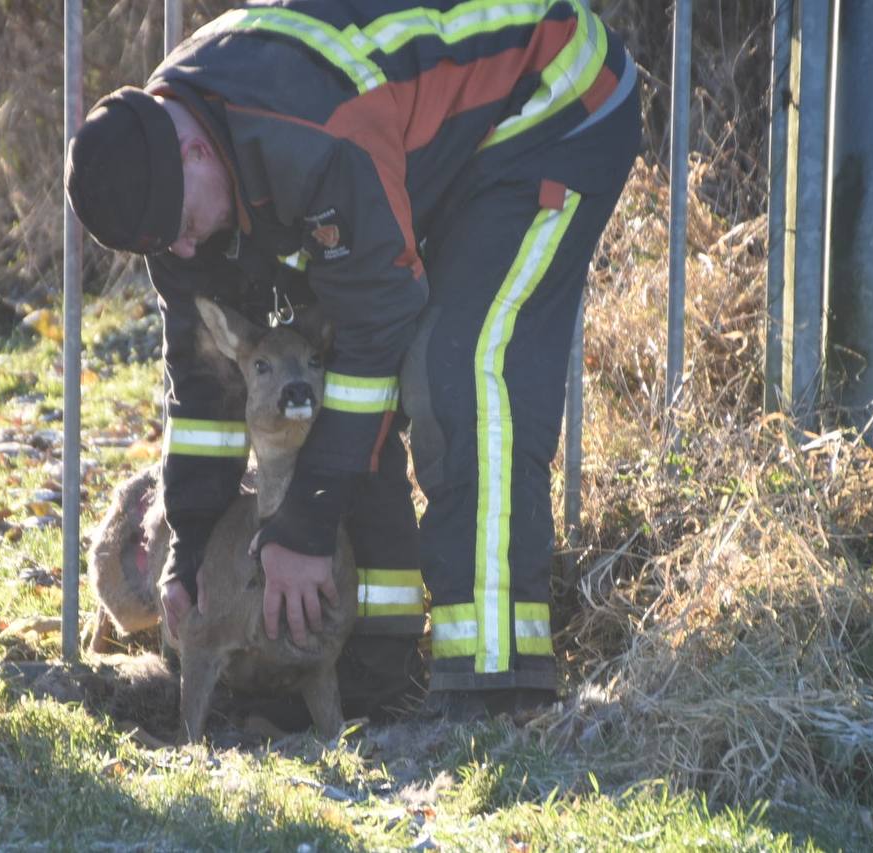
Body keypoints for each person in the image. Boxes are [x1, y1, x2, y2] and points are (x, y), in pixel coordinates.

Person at [66, 0, 639, 720]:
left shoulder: (310, 140)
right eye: (163, 245)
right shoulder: (167, 182)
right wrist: (191, 549)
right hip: (419, 135)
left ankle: (500, 692)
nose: (182, 252)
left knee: (459, 370)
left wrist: (303, 531)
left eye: (183, 228)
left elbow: (376, 330)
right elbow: (205, 390)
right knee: (341, 394)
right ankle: (377, 669)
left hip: (550, 102)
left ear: (196, 151)